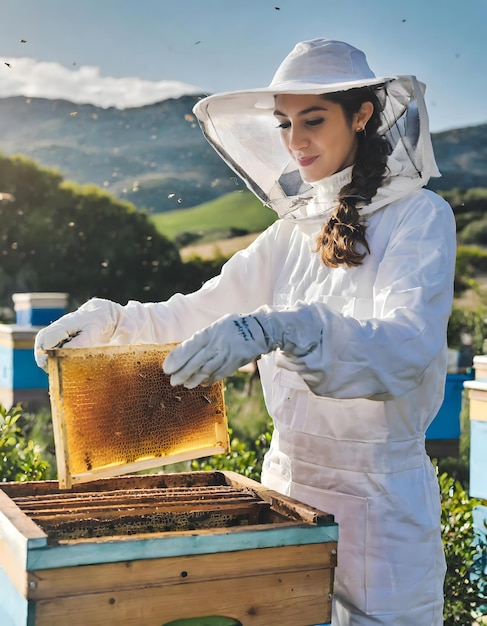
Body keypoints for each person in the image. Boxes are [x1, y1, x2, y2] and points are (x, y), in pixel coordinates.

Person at [35, 39, 456, 625]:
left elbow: (403, 348)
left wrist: (282, 326)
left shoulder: (420, 218)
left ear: (362, 115)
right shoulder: (290, 235)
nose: (295, 141)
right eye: (285, 123)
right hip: (285, 494)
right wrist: (111, 322)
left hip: (380, 509)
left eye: (314, 120)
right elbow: (194, 314)